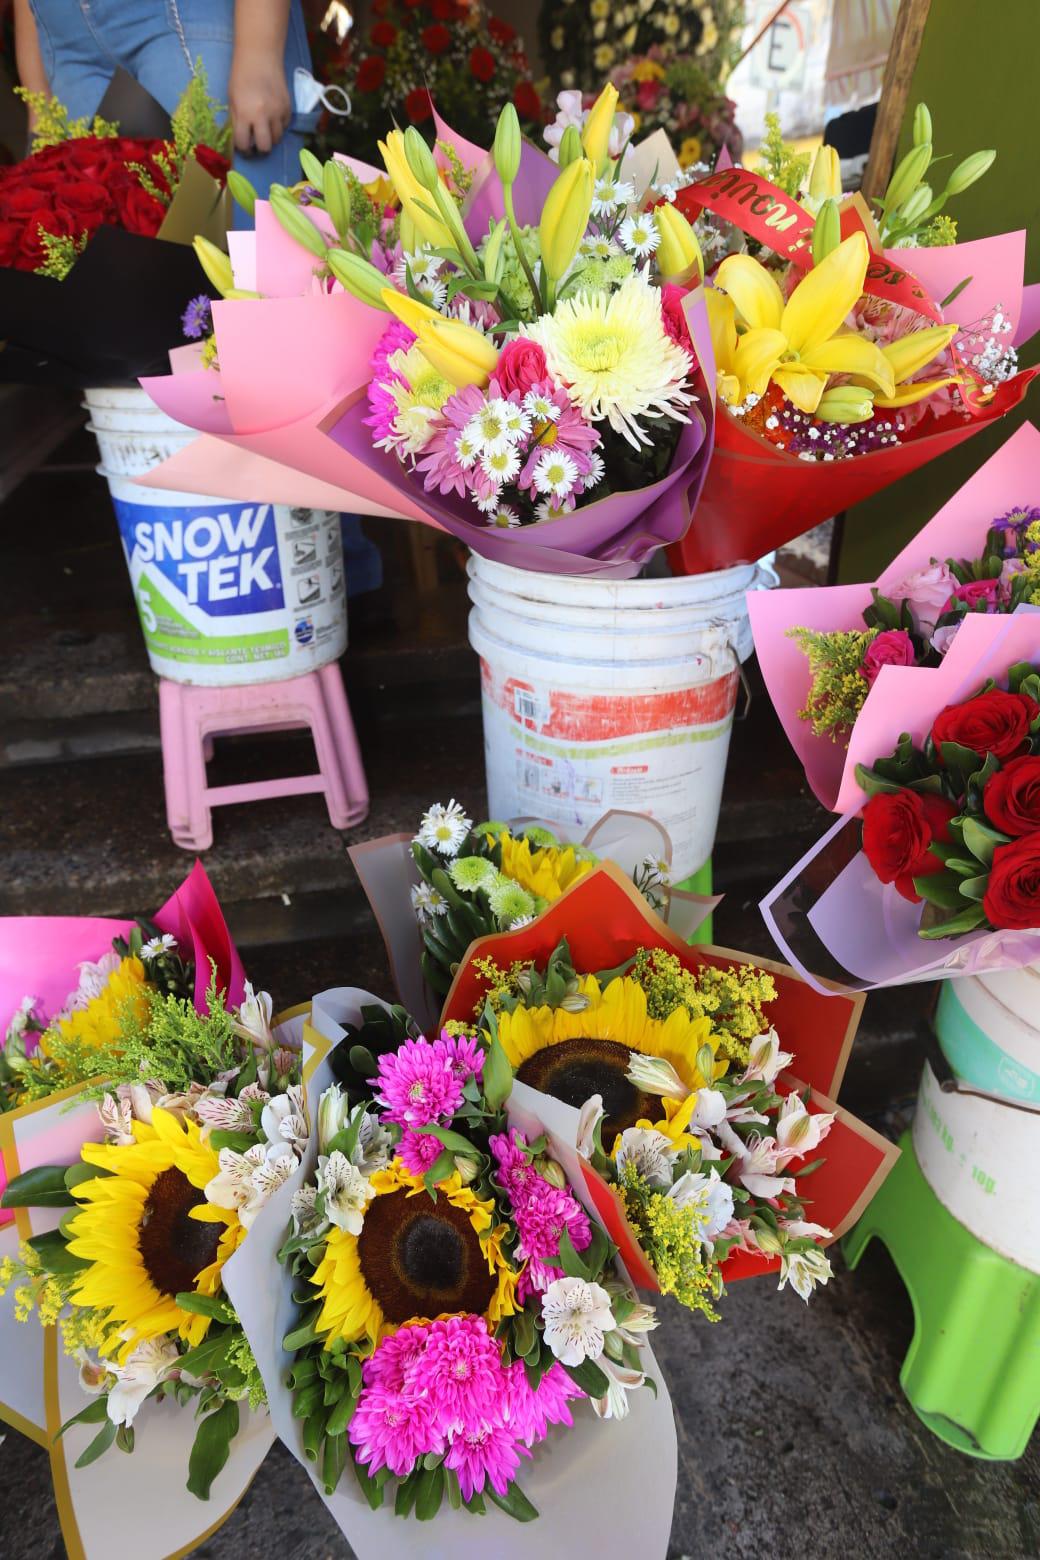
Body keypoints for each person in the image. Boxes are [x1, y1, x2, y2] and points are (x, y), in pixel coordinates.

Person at [12, 0, 319, 202]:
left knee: (239, 260)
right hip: (62, 36)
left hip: (180, 12)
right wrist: (38, 107)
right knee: (113, 274)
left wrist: (259, 47)